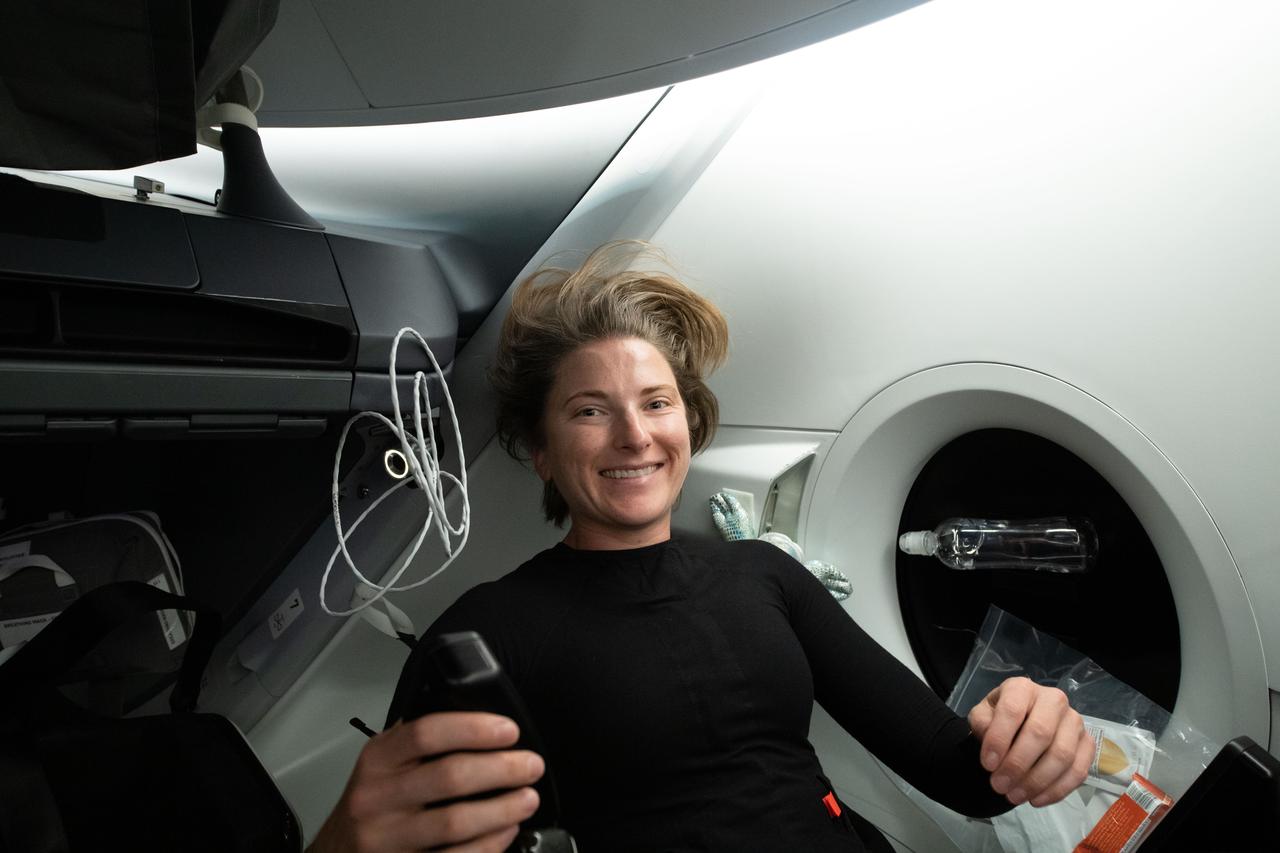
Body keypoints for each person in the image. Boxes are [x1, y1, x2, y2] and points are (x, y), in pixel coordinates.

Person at [309, 242, 1092, 852]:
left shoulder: (764, 575)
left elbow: (963, 773)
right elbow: (404, 829)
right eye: (589, 411)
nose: (635, 434)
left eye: (657, 402)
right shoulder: (479, 636)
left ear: (690, 423)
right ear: (541, 452)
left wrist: (1028, 730)